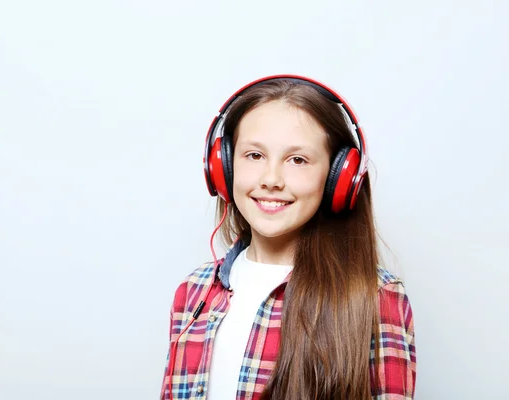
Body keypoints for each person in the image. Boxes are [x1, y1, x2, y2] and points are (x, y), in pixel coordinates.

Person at [160, 75, 416, 400]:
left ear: (339, 178)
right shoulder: (192, 293)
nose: (271, 179)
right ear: (222, 167)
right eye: (254, 155)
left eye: (298, 160)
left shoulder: (376, 298)